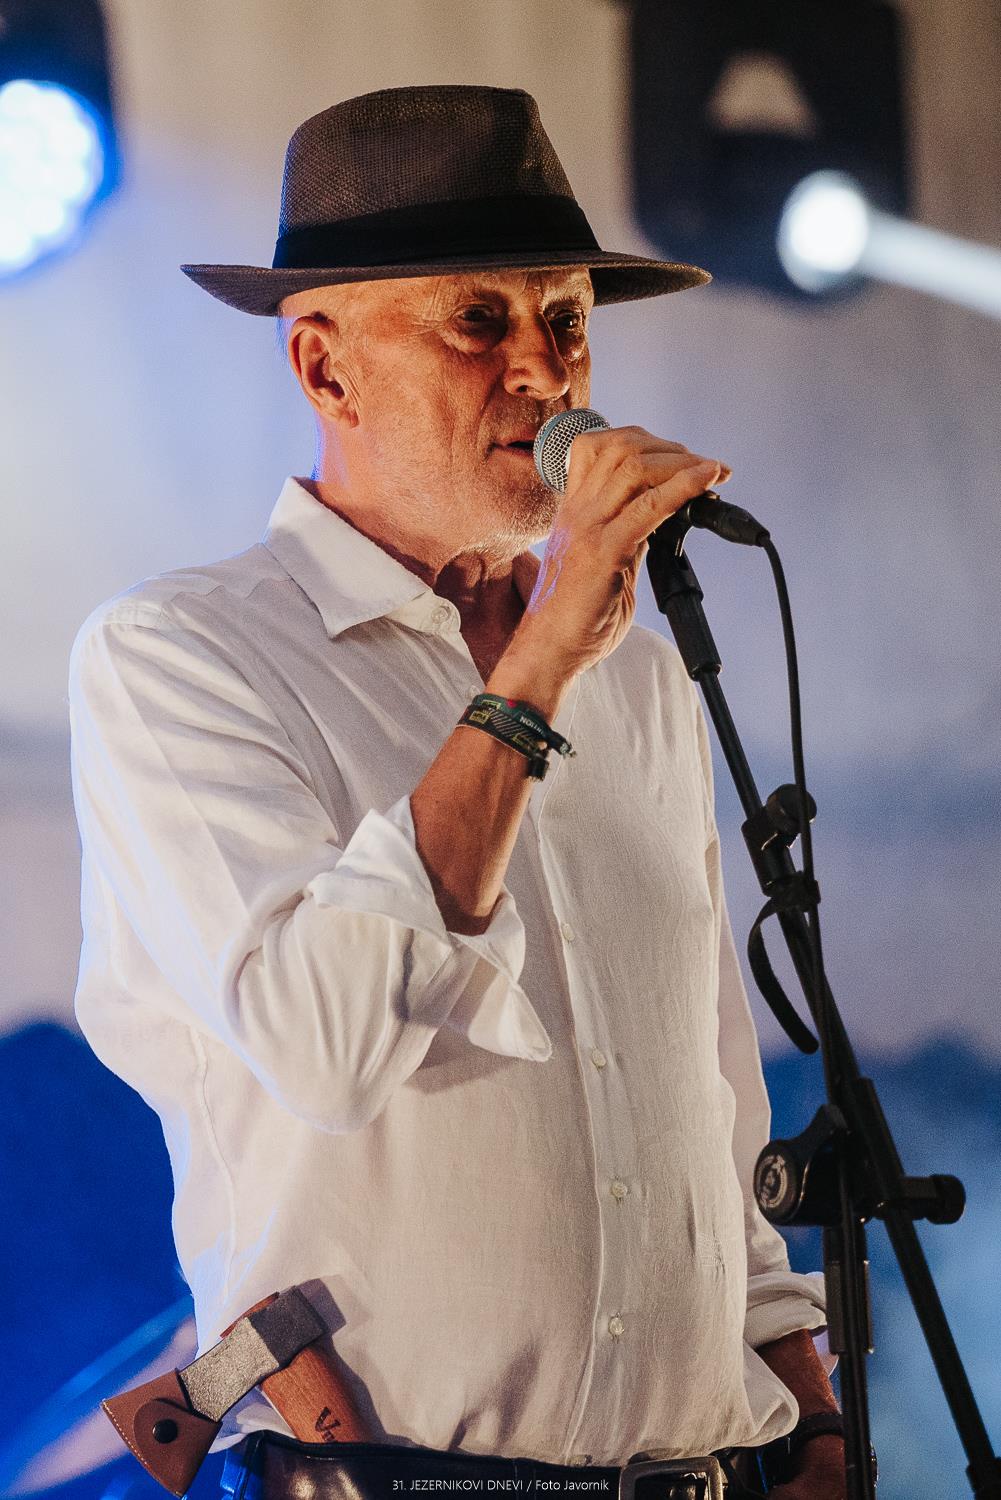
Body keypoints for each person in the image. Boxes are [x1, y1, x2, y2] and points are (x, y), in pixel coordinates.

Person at [69, 86, 845, 1499]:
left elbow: (711, 1094)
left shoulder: (636, 678)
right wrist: (538, 667)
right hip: (383, 1473)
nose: (546, 371)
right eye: (478, 321)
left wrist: (815, 1414)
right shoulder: (179, 656)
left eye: (566, 319)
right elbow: (324, 1044)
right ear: (326, 368)